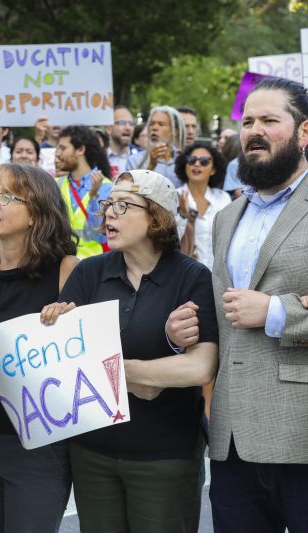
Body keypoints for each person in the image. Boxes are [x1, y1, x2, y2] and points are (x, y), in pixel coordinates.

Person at [42, 169, 219, 533]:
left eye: (123, 205)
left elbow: (200, 368)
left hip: (165, 455)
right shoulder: (90, 273)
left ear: (157, 217)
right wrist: (147, 380)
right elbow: (66, 363)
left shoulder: (192, 276)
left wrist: (117, 371)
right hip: (93, 452)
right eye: (108, 204)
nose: (109, 212)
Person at [167, 78, 308, 533]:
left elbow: (261, 310)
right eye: (247, 122)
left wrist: (277, 312)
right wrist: (180, 333)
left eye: (269, 120)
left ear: (304, 132)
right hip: (231, 439)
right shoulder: (228, 217)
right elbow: (223, 313)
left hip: (301, 432)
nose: (254, 131)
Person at [0, 163, 79, 533]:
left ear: (36, 214)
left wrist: (69, 322)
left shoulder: (66, 270)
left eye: (7, 197)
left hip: (39, 445)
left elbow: (81, 358)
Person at [55, 125, 113, 258]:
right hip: (61, 264)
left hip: (95, 265)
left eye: (62, 148)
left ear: (80, 150)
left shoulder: (107, 187)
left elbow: (102, 234)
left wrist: (93, 197)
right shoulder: (56, 184)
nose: (57, 154)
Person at [173, 142, 231, 270]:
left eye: (204, 161)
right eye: (192, 160)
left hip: (217, 275)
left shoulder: (223, 199)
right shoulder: (173, 197)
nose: (197, 164)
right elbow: (170, 242)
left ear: (213, 170)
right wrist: (183, 216)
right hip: (184, 274)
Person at [128, 106, 185, 187]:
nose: (154, 128)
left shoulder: (184, 160)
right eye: (151, 124)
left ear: (174, 131)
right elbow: (131, 191)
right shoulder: (134, 160)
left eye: (161, 124)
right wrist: (151, 166)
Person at [107, 105, 138, 177]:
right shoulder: (98, 156)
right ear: (109, 128)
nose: (128, 127)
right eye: (122, 123)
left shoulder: (141, 156)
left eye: (131, 124)